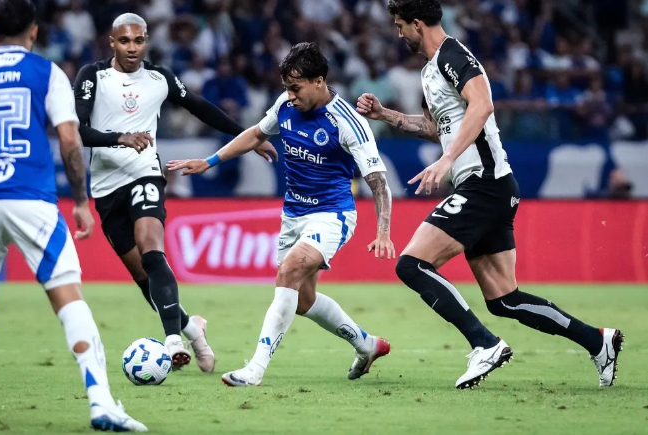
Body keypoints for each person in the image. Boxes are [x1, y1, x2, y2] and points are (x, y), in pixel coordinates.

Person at [356, 0, 622, 389]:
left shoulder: (454, 54)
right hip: (492, 188)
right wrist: (386, 115)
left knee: (411, 265)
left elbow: (483, 105)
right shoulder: (431, 71)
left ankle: (485, 344)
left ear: (417, 23)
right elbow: (437, 127)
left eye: (400, 26)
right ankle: (598, 341)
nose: (399, 34)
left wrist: (447, 161)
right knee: (504, 299)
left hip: (484, 182)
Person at [0, 0, 146, 431]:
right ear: (33, 32)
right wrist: (82, 201)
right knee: (69, 301)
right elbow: (69, 142)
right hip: (31, 200)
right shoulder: (47, 73)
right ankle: (102, 404)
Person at [168, 42, 394, 387]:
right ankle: (366, 344)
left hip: (332, 214)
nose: (290, 95)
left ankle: (255, 369)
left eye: (296, 87)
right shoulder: (285, 105)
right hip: (293, 215)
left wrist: (383, 232)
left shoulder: (348, 123)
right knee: (303, 301)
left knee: (288, 271)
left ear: (319, 80)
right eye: (287, 87)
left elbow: (378, 183)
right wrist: (210, 161)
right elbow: (256, 133)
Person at [73, 13, 273, 372]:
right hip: (105, 187)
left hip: (145, 172)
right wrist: (120, 137)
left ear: (146, 40)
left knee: (152, 248)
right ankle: (193, 329)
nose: (131, 48)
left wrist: (249, 137)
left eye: (138, 41)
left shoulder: (159, 78)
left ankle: (172, 341)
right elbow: (77, 130)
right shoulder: (93, 76)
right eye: (124, 41)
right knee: (143, 278)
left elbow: (200, 108)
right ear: (112, 42)